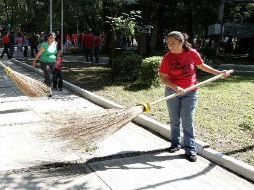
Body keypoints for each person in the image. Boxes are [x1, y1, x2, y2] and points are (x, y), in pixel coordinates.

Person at [159, 31, 230, 162]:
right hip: (172, 92)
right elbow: (163, 78)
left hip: (190, 92)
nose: (170, 46)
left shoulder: (192, 53)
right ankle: (175, 144)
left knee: (188, 121)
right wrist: (175, 87)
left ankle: (190, 149)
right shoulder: (168, 57)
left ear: (181, 42)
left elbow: (202, 66)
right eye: (168, 44)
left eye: (173, 43)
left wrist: (218, 73)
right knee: (174, 120)